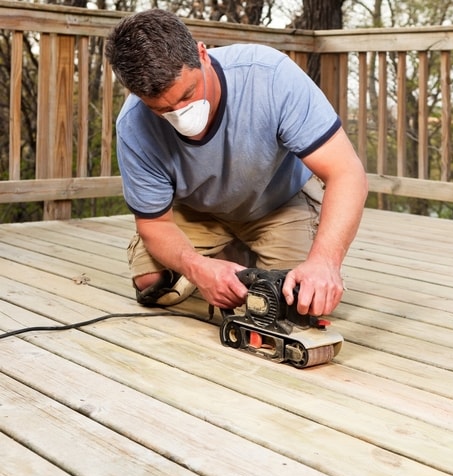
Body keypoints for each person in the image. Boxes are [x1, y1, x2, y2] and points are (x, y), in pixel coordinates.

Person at [105, 9, 368, 317]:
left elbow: (347, 173)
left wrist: (325, 262)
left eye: (188, 93)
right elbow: (154, 223)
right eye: (162, 109)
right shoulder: (134, 125)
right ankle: (227, 257)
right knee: (151, 282)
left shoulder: (270, 76)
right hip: (198, 210)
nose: (181, 114)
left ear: (202, 54)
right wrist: (198, 268)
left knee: (298, 301)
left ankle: (242, 256)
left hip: (278, 202)